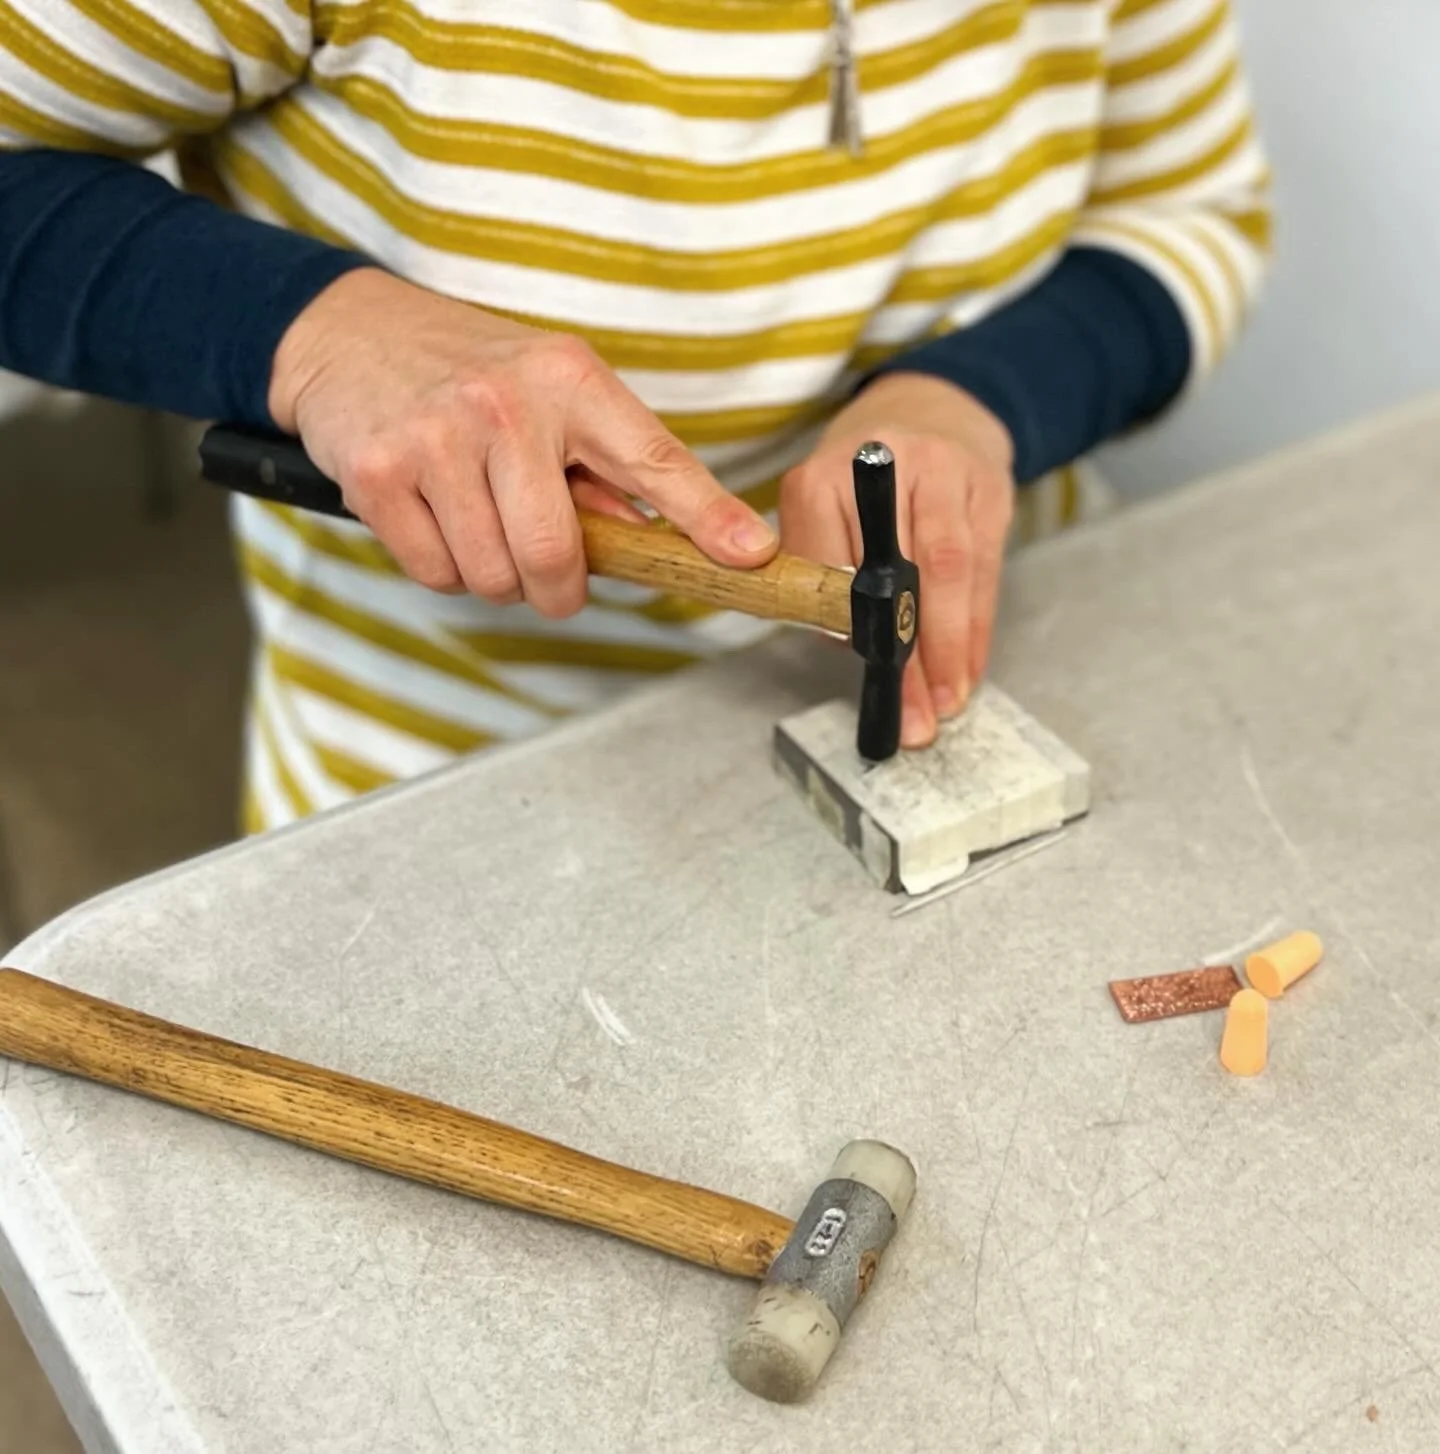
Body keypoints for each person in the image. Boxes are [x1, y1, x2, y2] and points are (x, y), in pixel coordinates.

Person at [0, 0, 1271, 834]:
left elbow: (1189, 212)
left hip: (995, 694)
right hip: (454, 790)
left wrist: (980, 399)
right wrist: (309, 329)